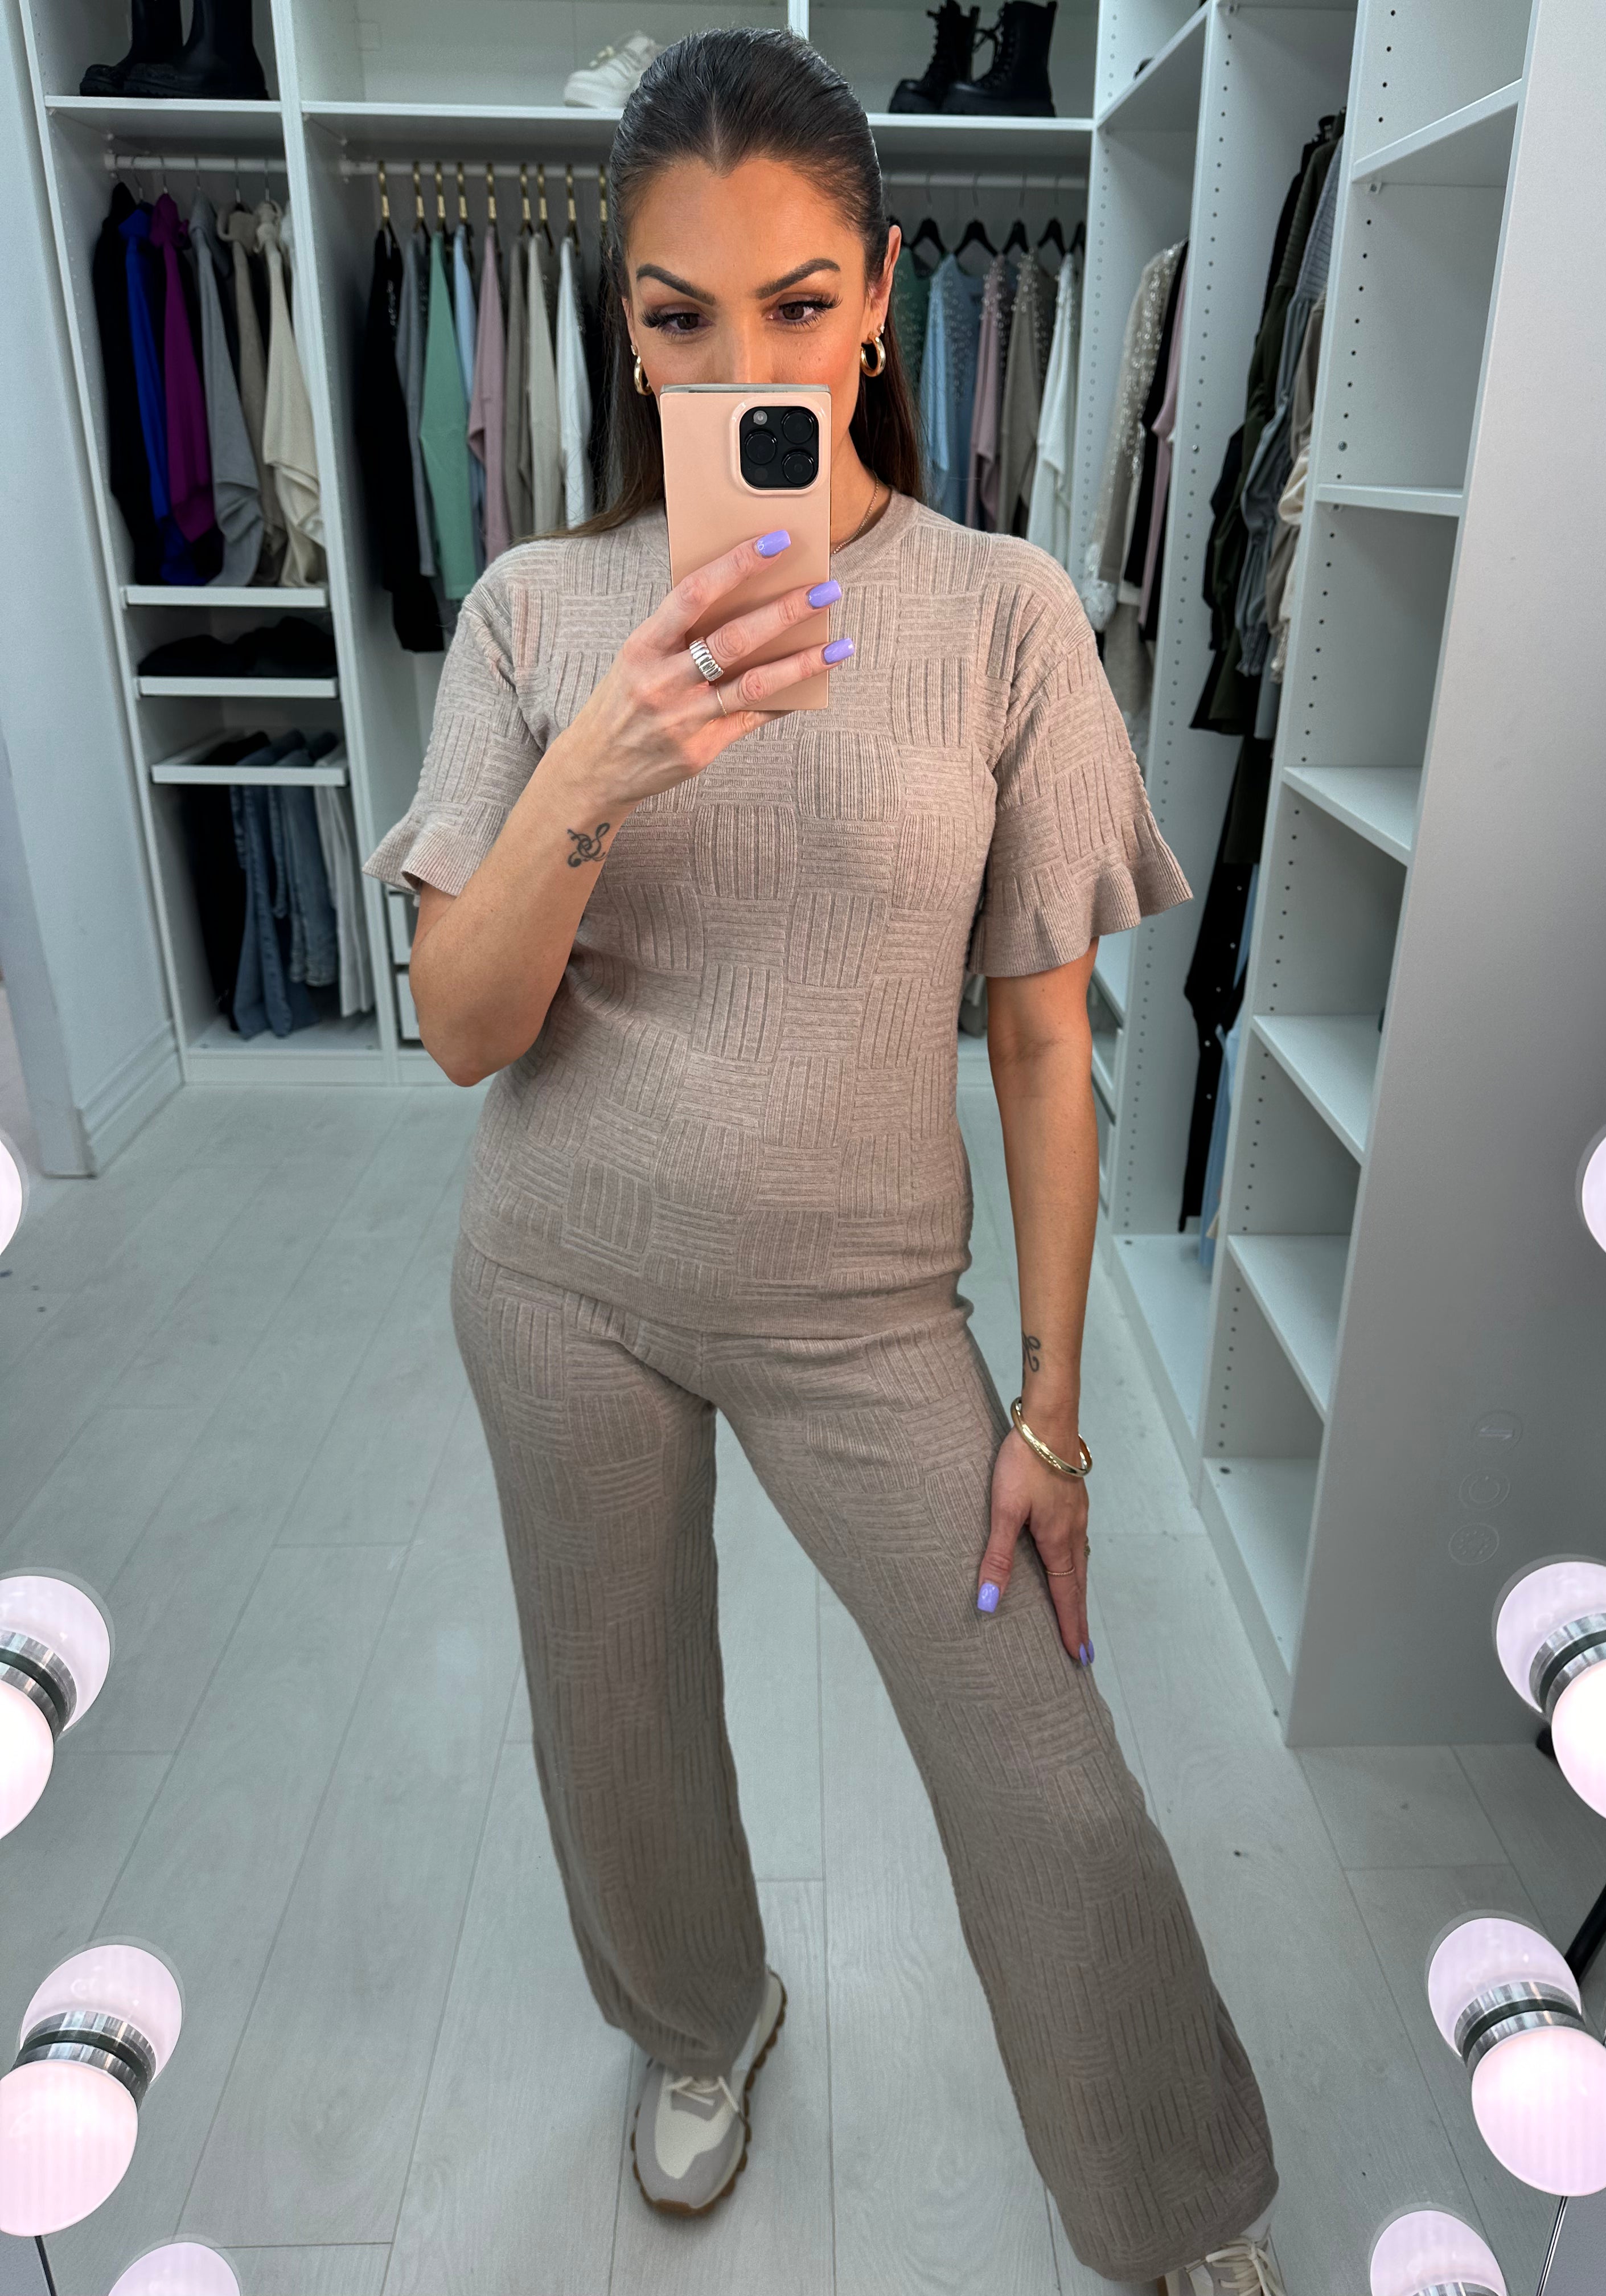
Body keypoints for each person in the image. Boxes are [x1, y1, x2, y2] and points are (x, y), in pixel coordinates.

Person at [363, 27, 1282, 2290]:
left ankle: (1171, 2200)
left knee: (1042, 1764)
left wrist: (1050, 1410)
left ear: (879, 299)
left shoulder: (1002, 613)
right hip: (558, 1278)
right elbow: (464, 1029)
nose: (741, 364)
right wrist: (599, 764)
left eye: (794, 303)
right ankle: (701, 2021)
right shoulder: (533, 614)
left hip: (868, 1311)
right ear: (624, 324)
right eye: (681, 315)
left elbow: (1045, 1042)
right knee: (616, 1713)